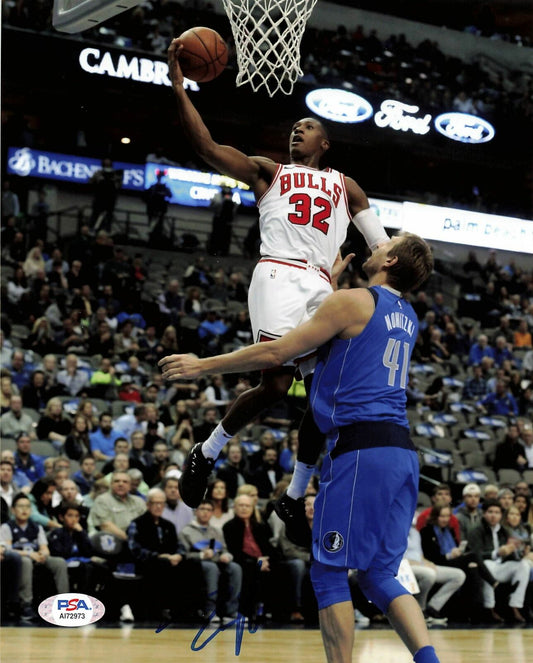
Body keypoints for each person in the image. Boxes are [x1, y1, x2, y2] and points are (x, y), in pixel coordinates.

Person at [160, 232, 440, 662]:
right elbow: (344, 354)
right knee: (379, 575)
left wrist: (204, 366)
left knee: (328, 572)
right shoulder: (406, 315)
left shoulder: (354, 302)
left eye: (386, 244)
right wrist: (325, 287)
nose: (377, 245)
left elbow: (280, 351)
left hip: (362, 450)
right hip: (402, 452)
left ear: (392, 260)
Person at [166, 38, 390, 541]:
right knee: (272, 384)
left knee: (324, 394)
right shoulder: (270, 172)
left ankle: (294, 496)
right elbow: (206, 147)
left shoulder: (347, 186)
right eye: (295, 126)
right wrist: (180, 88)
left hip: (322, 283)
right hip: (278, 274)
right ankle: (207, 451)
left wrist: (385, 267)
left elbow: (382, 248)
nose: (298, 129)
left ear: (325, 145)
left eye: (308, 127)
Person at [0, 493, 69, 621]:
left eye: (27, 506)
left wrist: (44, 554)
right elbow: (6, 549)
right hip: (19, 559)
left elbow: (44, 547)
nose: (24, 510)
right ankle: (26, 605)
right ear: (13, 510)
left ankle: (64, 603)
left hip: (36, 556)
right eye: (20, 506)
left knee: (59, 562)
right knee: (26, 561)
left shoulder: (36, 527)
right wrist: (29, 554)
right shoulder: (7, 527)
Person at [178, 499, 242, 623]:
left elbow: (224, 549)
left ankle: (231, 611)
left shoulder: (216, 531)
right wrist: (201, 555)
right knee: (211, 568)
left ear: (212, 512)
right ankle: (210, 610)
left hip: (218, 561)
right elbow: (183, 555)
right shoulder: (186, 532)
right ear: (196, 511)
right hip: (198, 564)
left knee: (235, 567)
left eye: (208, 510)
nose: (205, 513)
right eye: (202, 509)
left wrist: (227, 556)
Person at [467, 500, 530, 623]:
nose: (493, 515)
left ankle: (515, 605)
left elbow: (510, 557)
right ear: (484, 513)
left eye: (497, 512)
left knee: (524, 565)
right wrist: (497, 552)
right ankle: (489, 607)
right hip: (485, 566)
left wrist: (520, 553)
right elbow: (476, 555)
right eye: (490, 512)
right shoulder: (476, 529)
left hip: (501, 566)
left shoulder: (504, 530)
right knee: (487, 565)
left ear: (501, 515)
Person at [89, 158, 123, 231]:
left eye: (108, 163)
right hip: (99, 198)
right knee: (95, 215)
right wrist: (97, 179)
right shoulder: (98, 173)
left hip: (110, 199)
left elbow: (118, 186)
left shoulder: (115, 174)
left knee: (108, 217)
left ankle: (107, 230)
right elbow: (91, 182)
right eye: (105, 163)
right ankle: (92, 229)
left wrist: (116, 180)